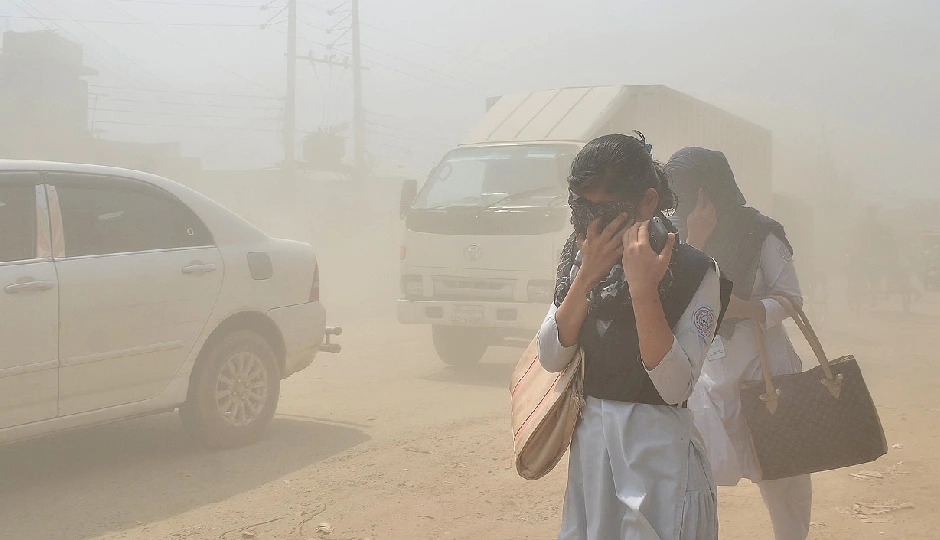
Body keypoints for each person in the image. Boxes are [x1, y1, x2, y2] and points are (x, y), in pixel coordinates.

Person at [537, 133, 730, 540]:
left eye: (604, 210)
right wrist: (586, 277)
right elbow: (552, 356)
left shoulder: (696, 272)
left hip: (658, 464)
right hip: (593, 460)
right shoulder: (581, 259)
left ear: (646, 202)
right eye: (580, 208)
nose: (590, 225)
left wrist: (644, 292)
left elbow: (674, 384)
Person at [666, 147, 812, 540]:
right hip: (706, 380)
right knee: (693, 481)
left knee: (784, 479)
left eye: (686, 193)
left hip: (765, 373)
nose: (678, 203)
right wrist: (694, 238)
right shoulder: (673, 235)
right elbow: (669, 300)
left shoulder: (760, 231)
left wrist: (743, 308)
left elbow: (791, 298)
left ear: (709, 191)